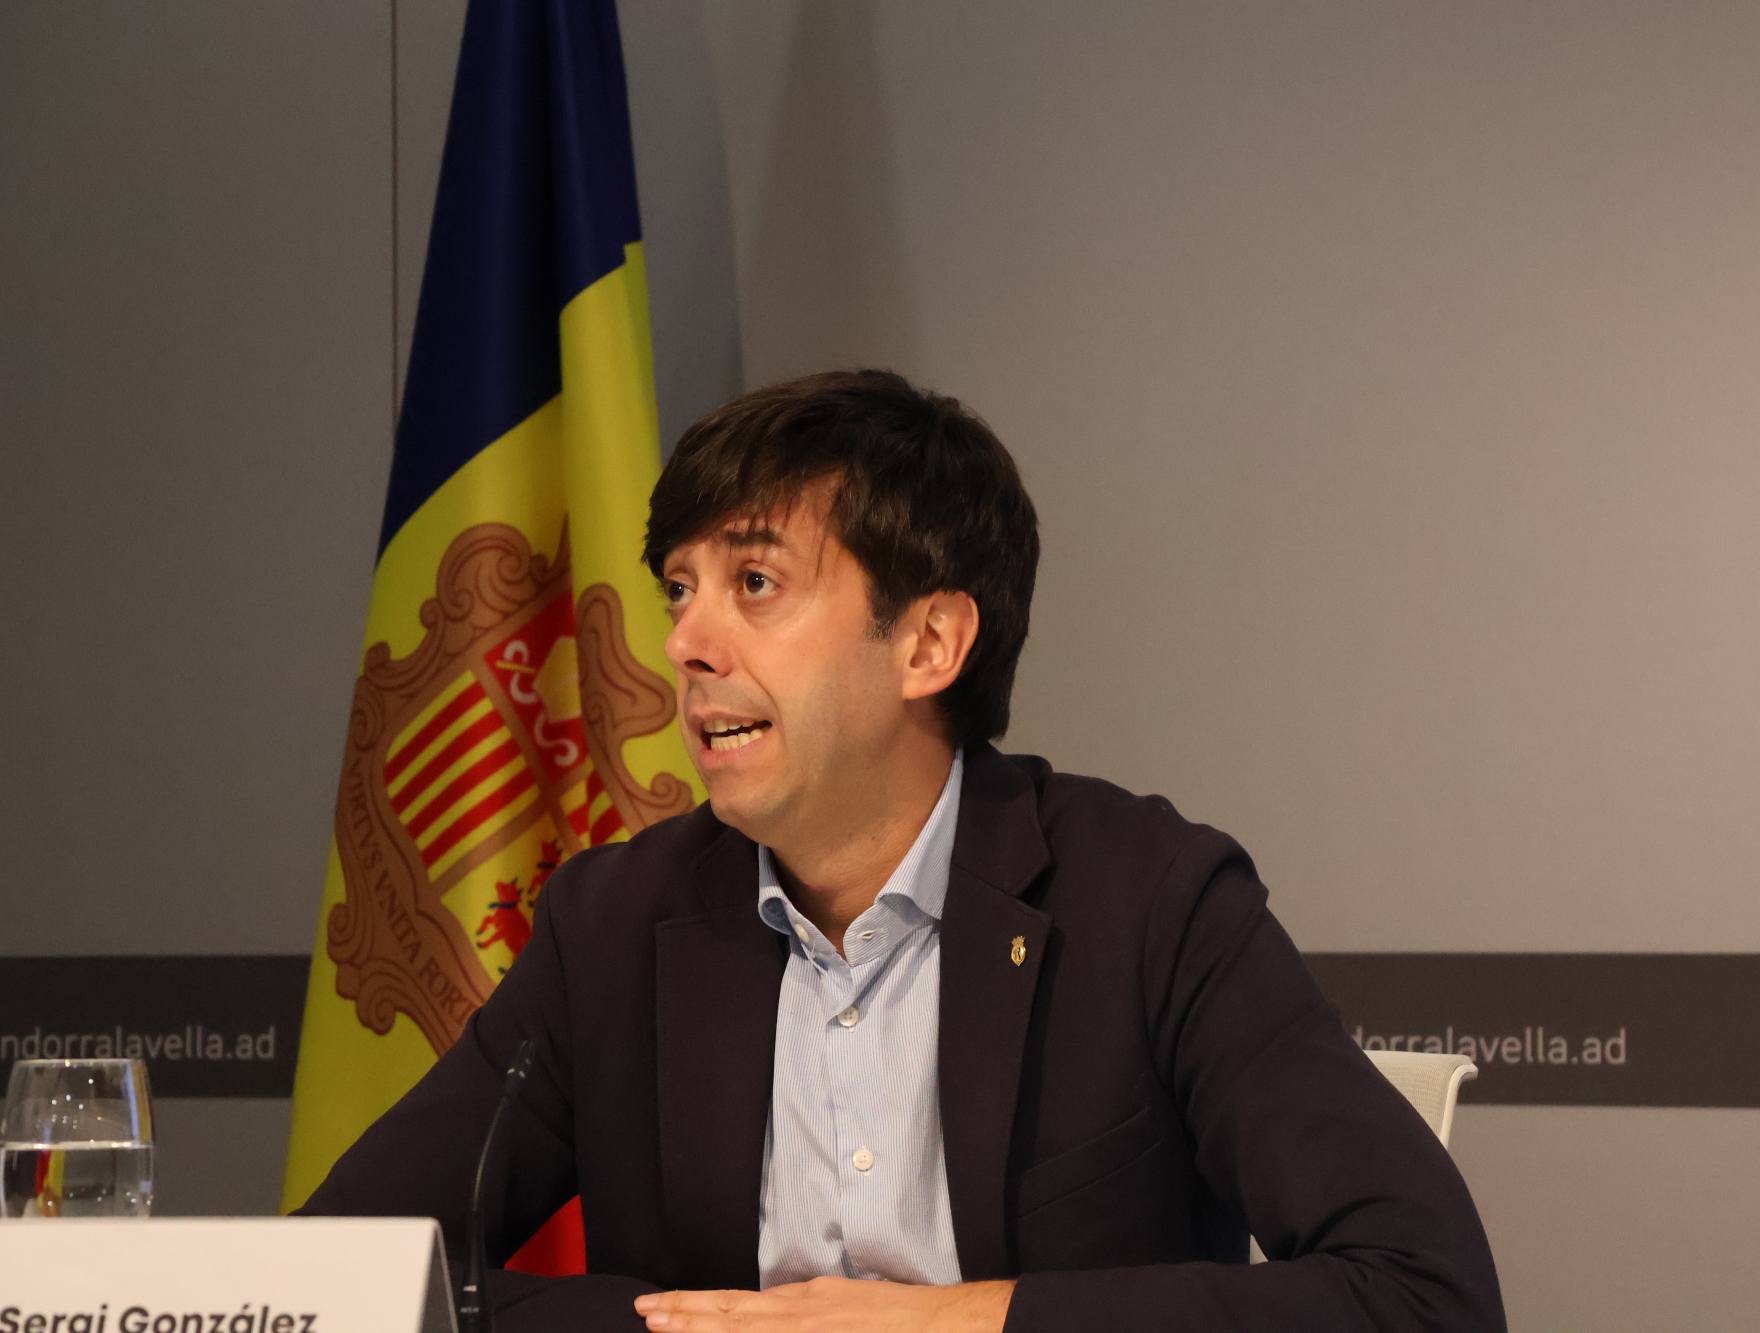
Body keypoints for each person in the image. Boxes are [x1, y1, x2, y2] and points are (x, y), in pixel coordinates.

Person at [300, 370, 1506, 1332]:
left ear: (928, 643)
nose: (684, 643)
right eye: (678, 589)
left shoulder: (1149, 900)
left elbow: (1420, 1292)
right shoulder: (611, 925)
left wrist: (957, 1321)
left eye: (753, 582)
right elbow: (340, 1273)